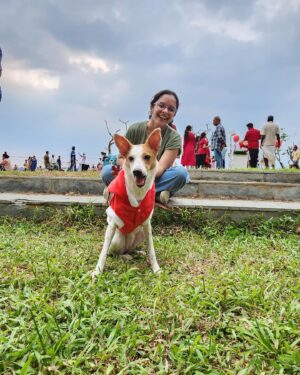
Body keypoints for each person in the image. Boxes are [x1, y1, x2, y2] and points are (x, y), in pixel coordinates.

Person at [101, 89, 189, 204]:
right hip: (131, 175)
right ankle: (157, 194)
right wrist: (133, 170)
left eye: (171, 109)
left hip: (155, 176)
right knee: (108, 171)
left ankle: (122, 191)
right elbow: (121, 158)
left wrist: (141, 172)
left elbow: (160, 169)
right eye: (161, 105)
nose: (165, 111)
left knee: (181, 174)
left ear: (174, 115)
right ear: (152, 107)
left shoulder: (174, 137)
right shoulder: (135, 129)